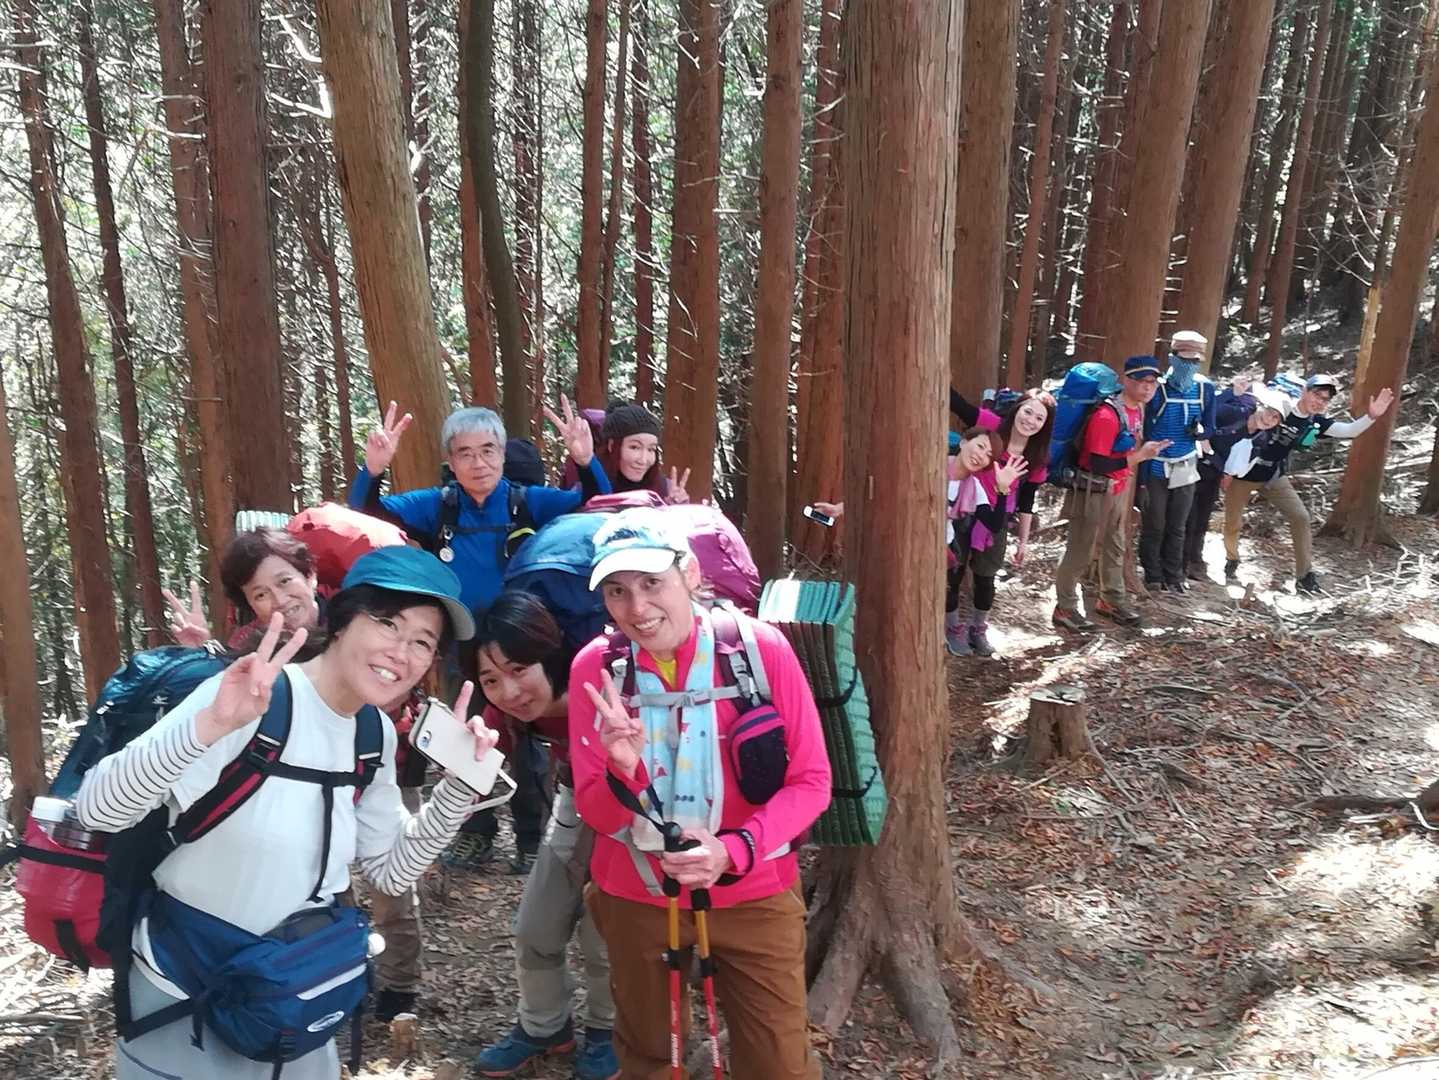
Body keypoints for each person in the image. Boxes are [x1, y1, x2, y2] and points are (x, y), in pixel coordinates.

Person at [75, 547, 500, 1079]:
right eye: (389, 624)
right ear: (342, 621)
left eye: (422, 642)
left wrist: (458, 790)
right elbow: (98, 808)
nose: (402, 652)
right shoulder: (256, 697)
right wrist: (207, 727)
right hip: (185, 993)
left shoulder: (372, 733)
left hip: (294, 993)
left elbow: (391, 871)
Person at [571, 509, 830, 1078]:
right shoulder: (598, 669)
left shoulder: (759, 651)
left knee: (779, 1065)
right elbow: (596, 810)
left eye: (652, 582)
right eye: (617, 591)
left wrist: (733, 850)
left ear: (688, 573)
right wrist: (623, 771)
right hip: (636, 892)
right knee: (650, 1059)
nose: (638, 608)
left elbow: (812, 781)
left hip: (753, 892)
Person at [164, 528, 430, 1020]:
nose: (279, 601)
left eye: (285, 581)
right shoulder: (252, 646)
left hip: (374, 769)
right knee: (324, 887)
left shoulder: (359, 619)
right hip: (296, 790)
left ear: (310, 576)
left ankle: (400, 985)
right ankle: (334, 973)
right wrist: (202, 655)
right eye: (260, 594)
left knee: (390, 887)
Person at [471, 592, 618, 1080]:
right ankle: (545, 1027)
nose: (509, 691)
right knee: (535, 926)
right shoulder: (509, 712)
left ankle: (609, 1032)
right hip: (573, 801)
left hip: (627, 809)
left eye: (519, 669)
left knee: (603, 935)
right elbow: (482, 750)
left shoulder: (597, 684)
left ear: (547, 653)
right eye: (491, 679)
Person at [349, 398, 611, 616]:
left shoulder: (529, 502)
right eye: (465, 454)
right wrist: (373, 470)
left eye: (488, 451)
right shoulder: (436, 505)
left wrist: (586, 462)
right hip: (457, 638)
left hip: (518, 639)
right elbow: (366, 515)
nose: (479, 464)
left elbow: (598, 508)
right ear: (451, 463)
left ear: (502, 454)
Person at [1221, 375, 1396, 593]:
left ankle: (1305, 576)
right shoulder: (1281, 406)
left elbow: (1348, 431)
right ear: (1305, 391)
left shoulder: (1315, 422)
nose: (1319, 402)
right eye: (1316, 395)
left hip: (1274, 476)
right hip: (1242, 475)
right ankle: (1232, 558)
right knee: (1233, 522)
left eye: (1325, 399)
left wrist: (1371, 416)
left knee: (1301, 517)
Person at [1052, 356, 1171, 631]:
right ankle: (1064, 607)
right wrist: (1140, 456)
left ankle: (1111, 600)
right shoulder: (1106, 416)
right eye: (1142, 381)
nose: (1148, 387)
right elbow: (1097, 463)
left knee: (1115, 546)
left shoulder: (1136, 409)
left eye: (1153, 382)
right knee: (1080, 552)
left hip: (1116, 489)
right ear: (1126, 380)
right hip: (1091, 491)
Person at [1139, 331, 1217, 595]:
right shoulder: (1157, 389)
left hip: (1186, 463)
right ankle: (1152, 574)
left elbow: (1211, 425)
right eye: (1185, 359)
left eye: (1195, 360)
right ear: (1173, 358)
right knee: (1155, 523)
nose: (1190, 365)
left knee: (1178, 524)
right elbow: (1145, 426)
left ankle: (1174, 574)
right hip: (1156, 464)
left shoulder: (1204, 388)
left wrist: (1200, 432)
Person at [1184, 374, 1259, 581]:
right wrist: (1231, 393)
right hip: (1197, 467)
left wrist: (1223, 469)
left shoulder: (1255, 430)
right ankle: (1184, 561)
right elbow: (1209, 414)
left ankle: (1194, 560)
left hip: (1214, 472)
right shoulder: (1230, 409)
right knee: (1189, 517)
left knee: (1201, 518)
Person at [594, 401, 691, 504]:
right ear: (611, 445)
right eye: (635, 447)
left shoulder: (664, 488)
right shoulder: (589, 481)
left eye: (651, 449)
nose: (643, 460)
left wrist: (672, 508)